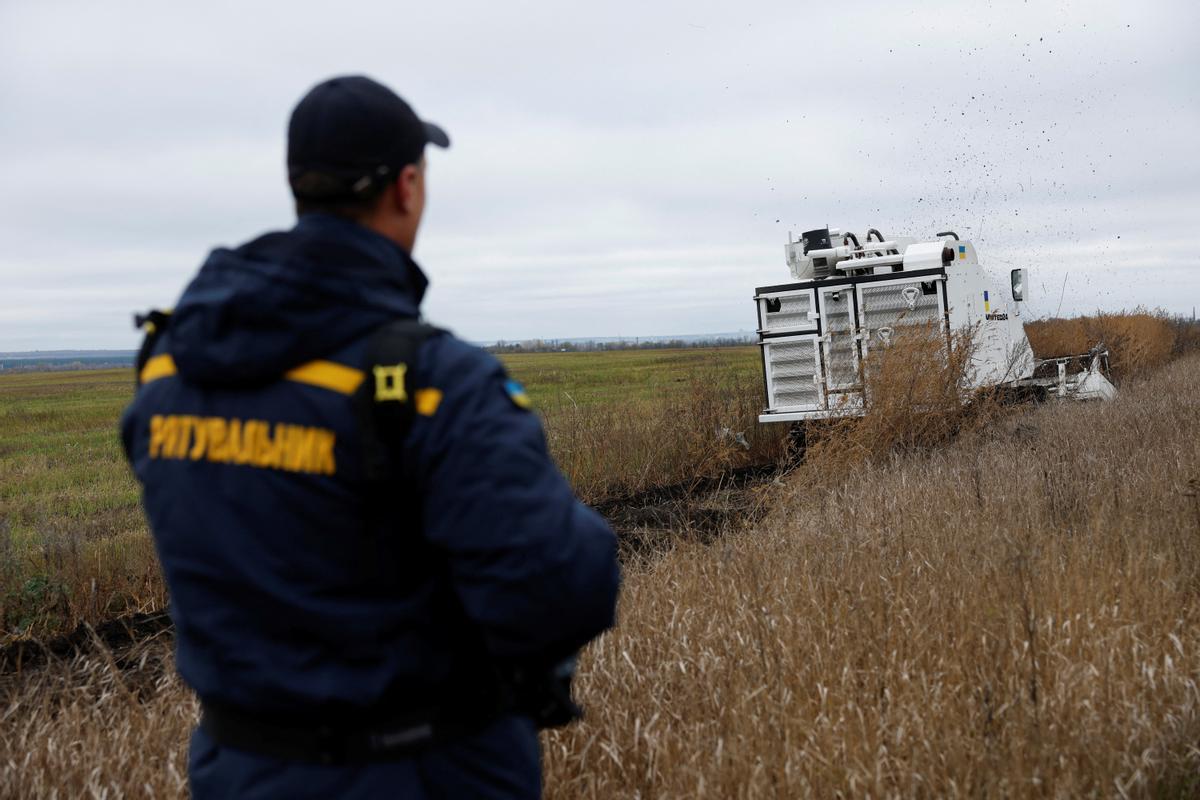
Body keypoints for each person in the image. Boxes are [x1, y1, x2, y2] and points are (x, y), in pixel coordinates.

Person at [120, 75, 621, 799]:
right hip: (421, 771)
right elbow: (561, 591)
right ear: (408, 187)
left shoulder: (169, 366)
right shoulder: (433, 379)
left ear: (300, 186)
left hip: (238, 771)